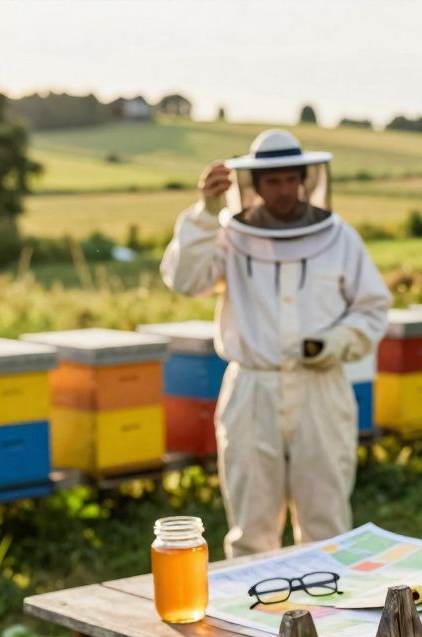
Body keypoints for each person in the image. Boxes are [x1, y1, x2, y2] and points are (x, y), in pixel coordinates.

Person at [161, 128, 391, 557]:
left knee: (327, 522)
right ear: (254, 185)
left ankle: (328, 620)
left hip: (321, 387)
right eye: (273, 181)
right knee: (252, 527)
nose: (283, 190)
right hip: (253, 389)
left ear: (305, 178)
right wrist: (204, 213)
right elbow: (185, 280)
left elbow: (372, 307)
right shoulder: (228, 236)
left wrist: (338, 341)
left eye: (290, 179)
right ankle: (252, 621)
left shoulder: (340, 238)